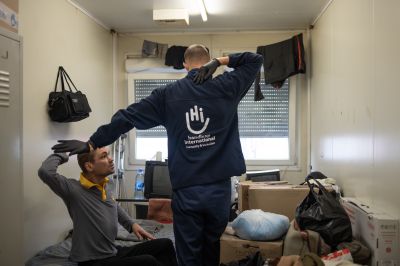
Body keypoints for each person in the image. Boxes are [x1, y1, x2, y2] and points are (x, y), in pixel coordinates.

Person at [52, 44, 263, 266]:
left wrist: (92, 142)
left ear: (184, 65)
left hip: (187, 191)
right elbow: (255, 59)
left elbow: (127, 117)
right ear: (208, 61)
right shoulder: (227, 86)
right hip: (219, 191)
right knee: (212, 250)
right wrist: (220, 62)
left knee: (188, 255)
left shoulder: (168, 95)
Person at [38, 146, 178, 266]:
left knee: (165, 244)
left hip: (112, 251)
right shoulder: (73, 189)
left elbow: (113, 205)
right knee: (148, 262)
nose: (111, 159)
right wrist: (67, 151)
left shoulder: (107, 183)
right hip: (92, 261)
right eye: (104, 156)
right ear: (89, 166)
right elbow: (46, 171)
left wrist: (131, 224)